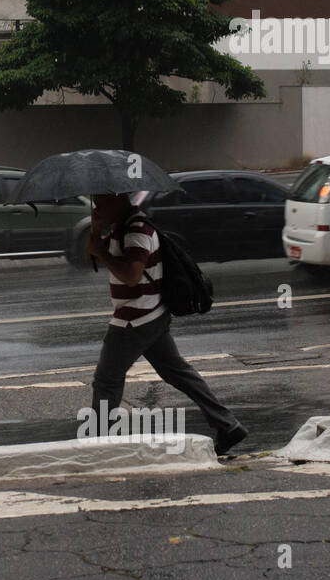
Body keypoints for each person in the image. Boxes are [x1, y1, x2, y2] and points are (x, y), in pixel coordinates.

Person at [84, 191, 248, 455]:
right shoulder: (122, 227)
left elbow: (131, 275)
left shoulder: (136, 231)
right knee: (178, 373)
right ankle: (228, 426)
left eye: (101, 202)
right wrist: (96, 231)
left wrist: (102, 250)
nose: (97, 206)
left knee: (106, 381)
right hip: (152, 316)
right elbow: (90, 258)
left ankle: (95, 446)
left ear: (119, 200)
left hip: (134, 320)